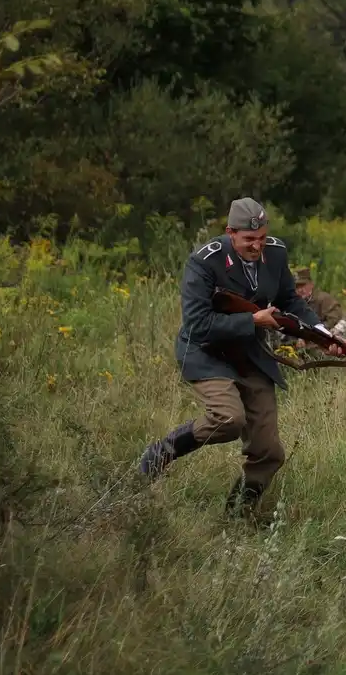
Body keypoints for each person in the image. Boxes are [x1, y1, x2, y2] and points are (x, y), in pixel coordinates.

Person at [135, 197, 326, 517]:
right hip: (207, 351)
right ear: (230, 233)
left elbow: (290, 300)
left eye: (262, 237)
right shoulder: (204, 261)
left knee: (269, 452)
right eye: (249, 239)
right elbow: (197, 324)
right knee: (228, 419)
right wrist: (252, 321)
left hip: (250, 353)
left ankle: (238, 515)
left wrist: (323, 334)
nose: (257, 245)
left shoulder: (276, 253)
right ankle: (163, 451)